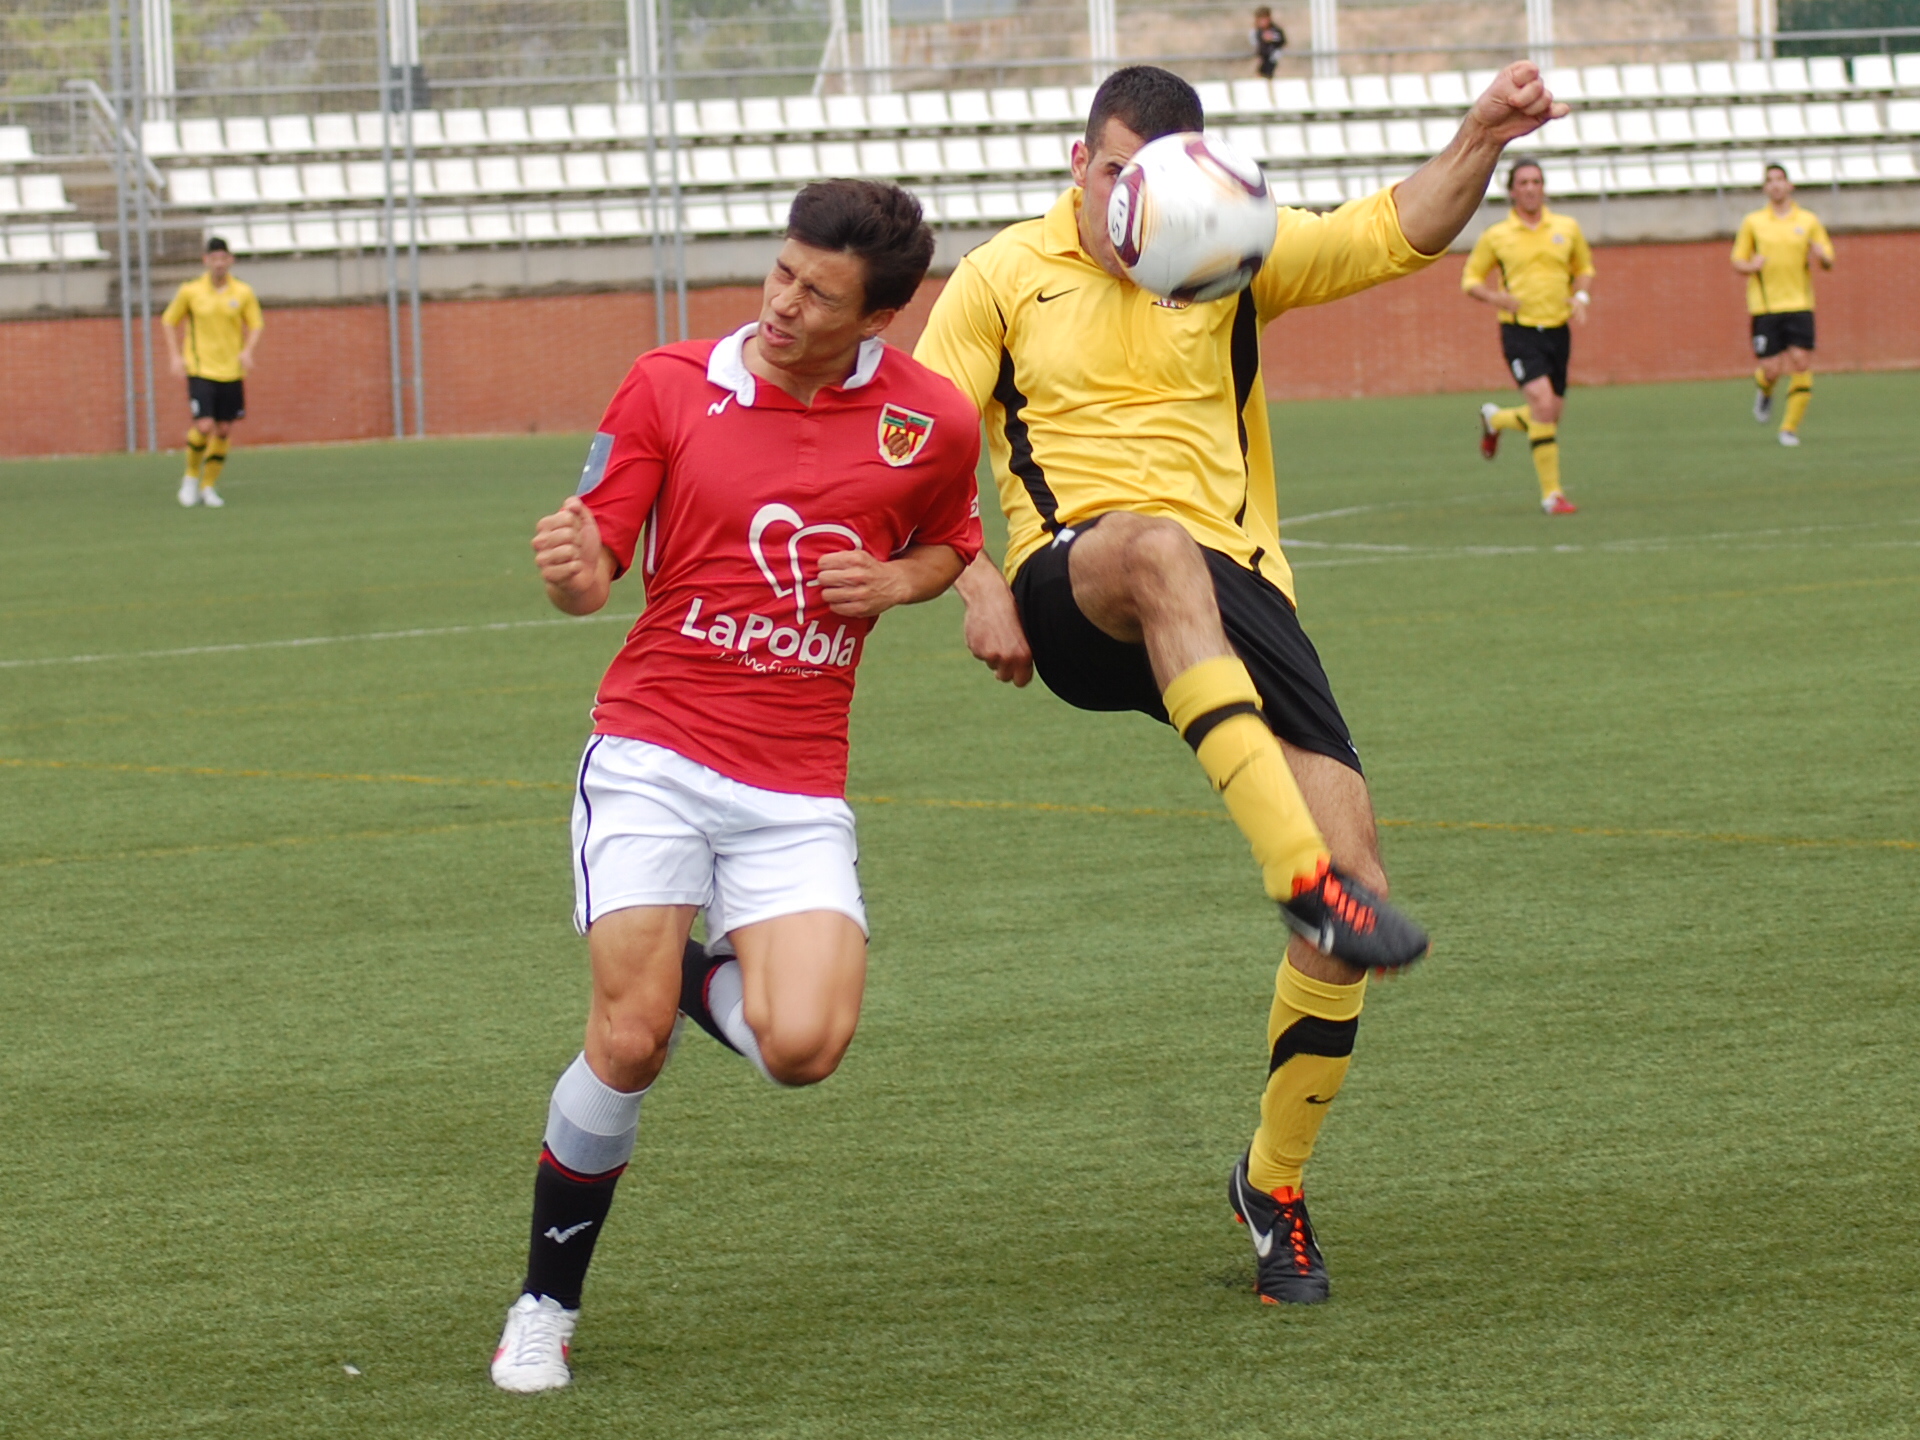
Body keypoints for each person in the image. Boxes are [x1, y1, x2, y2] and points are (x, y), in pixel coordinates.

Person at [913, 62, 1565, 1305]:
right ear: (1078, 161)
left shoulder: (1221, 246)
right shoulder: (1004, 275)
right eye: (1115, 176)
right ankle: (1295, 878)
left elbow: (1399, 229)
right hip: (1081, 572)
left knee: (1362, 902)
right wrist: (974, 585)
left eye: (1157, 182)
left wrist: (1481, 128)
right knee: (1157, 548)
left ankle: (1272, 1187)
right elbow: (930, 445)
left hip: (1240, 590)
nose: (1135, 204)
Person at [490, 179, 982, 1393]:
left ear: (875, 320)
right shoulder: (668, 383)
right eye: (780, 271)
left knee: (802, 1049)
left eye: (818, 293)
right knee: (631, 1037)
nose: (783, 302)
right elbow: (593, 571)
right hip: (654, 747)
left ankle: (707, 972)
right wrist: (565, 569)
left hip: (796, 779)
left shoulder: (932, 421)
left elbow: (952, 541)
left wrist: (898, 586)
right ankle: (544, 1306)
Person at [1464, 157, 1592, 514]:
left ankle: (1497, 419)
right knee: (1542, 403)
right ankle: (1552, 495)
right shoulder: (1497, 236)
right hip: (1519, 330)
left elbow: (1584, 268)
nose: (1531, 188)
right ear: (1512, 191)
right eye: (1523, 182)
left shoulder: (1566, 227)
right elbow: (1470, 279)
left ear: (1544, 187)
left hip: (1558, 329)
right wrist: (1495, 296)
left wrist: (1581, 295)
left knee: (1550, 413)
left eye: (1536, 181)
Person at [1732, 163, 1833, 447]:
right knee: (1772, 369)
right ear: (1765, 188)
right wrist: (1750, 265)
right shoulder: (1754, 222)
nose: (1775, 185)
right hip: (1765, 306)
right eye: (1770, 181)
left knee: (1801, 362)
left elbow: (1828, 259)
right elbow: (1737, 260)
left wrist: (1821, 256)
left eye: (1780, 179)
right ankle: (1765, 392)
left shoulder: (1808, 220)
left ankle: (1788, 429)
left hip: (1800, 303)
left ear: (1790, 185)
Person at [162, 236, 262, 508]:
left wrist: (248, 351)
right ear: (206, 261)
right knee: (204, 425)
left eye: (223, 258)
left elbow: (255, 324)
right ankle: (191, 477)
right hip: (201, 368)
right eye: (214, 259)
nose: (219, 263)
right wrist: (175, 356)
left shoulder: (242, 292)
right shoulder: (191, 291)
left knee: (224, 429)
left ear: (230, 260)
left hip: (231, 370)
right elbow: (169, 320)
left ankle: (209, 487)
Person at [1251, 6, 1287, 79]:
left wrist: (1272, 39)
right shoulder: (1256, 32)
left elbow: (1282, 41)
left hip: (1271, 60)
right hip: (1262, 61)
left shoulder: (1276, 30)